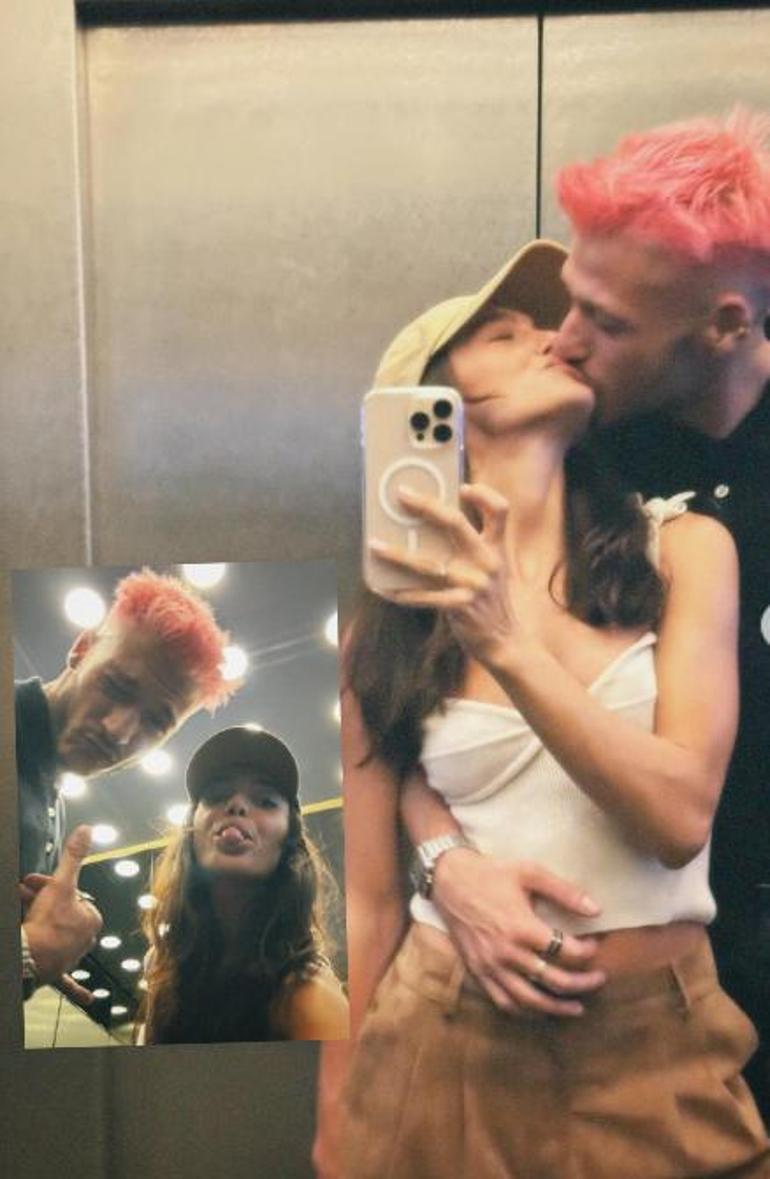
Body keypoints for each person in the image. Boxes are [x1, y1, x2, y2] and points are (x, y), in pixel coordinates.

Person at [318, 239, 769, 1177]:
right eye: (504, 334)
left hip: (657, 1045)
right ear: (432, 408)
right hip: (439, 1033)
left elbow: (679, 817)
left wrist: (506, 641)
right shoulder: (386, 624)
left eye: (550, 325)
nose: (553, 341)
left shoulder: (684, 550)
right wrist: (337, 1115)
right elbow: (368, 899)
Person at [399, 108, 770, 1123]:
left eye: (604, 323)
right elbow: (410, 719)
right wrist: (444, 861)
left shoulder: (680, 530)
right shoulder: (574, 448)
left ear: (724, 328)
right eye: (569, 300)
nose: (563, 341)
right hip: (568, 993)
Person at [18, 567, 238, 997]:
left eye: (155, 722)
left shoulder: (48, 793)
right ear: (82, 649)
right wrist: (30, 953)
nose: (118, 732)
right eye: (116, 686)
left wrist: (39, 937)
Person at [140, 725, 349, 1044]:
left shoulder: (308, 996)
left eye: (265, 801)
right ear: (192, 829)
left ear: (289, 841)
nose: (236, 805)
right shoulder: (162, 967)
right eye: (216, 796)